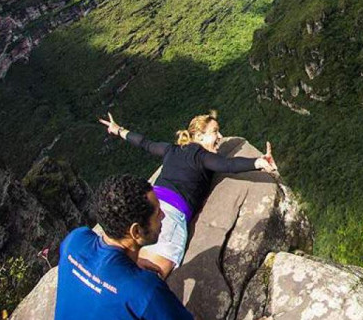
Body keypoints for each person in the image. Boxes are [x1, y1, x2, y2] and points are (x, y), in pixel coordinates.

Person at [99, 111, 277, 279]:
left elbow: (145, 143)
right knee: (151, 275)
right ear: (199, 136)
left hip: (143, 206)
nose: (220, 137)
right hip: (166, 216)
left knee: (125, 263)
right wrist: (258, 161)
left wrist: (118, 130)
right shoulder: (200, 156)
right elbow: (228, 165)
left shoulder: (172, 150)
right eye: (215, 131)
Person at [55, 174, 193, 319]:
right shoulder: (146, 291)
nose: (163, 216)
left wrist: (133, 263)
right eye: (157, 213)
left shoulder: (74, 240)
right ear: (136, 231)